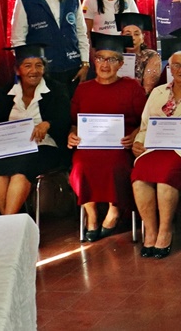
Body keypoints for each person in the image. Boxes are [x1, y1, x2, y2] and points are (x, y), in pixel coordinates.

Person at [130, 39, 181, 258]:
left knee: (166, 175)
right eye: (176, 65)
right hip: (155, 148)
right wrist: (138, 141)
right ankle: (151, 231)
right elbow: (146, 124)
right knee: (139, 177)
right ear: (170, 68)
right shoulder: (157, 92)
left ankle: (165, 231)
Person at [67, 34, 147, 241]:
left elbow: (144, 121)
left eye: (111, 59)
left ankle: (114, 210)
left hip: (120, 145)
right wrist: (72, 134)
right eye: (101, 58)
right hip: (88, 145)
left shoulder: (131, 87)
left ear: (121, 63)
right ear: (94, 61)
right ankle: (91, 214)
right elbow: (74, 121)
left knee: (116, 165)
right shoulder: (83, 89)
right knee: (80, 165)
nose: (105, 64)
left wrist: (134, 135)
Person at [0, 44, 71, 215]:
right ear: (18, 70)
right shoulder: (5, 93)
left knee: (20, 173)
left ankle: (8, 224)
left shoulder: (56, 90)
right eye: (28, 65)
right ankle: (11, 224)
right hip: (11, 150)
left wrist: (48, 124)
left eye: (39, 65)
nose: (34, 70)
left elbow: (65, 121)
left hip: (44, 148)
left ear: (44, 69)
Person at [10, 0, 91, 89]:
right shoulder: (25, 1)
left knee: (72, 108)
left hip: (73, 67)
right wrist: (30, 69)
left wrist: (85, 63)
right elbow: (18, 40)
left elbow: (81, 33)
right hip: (43, 71)